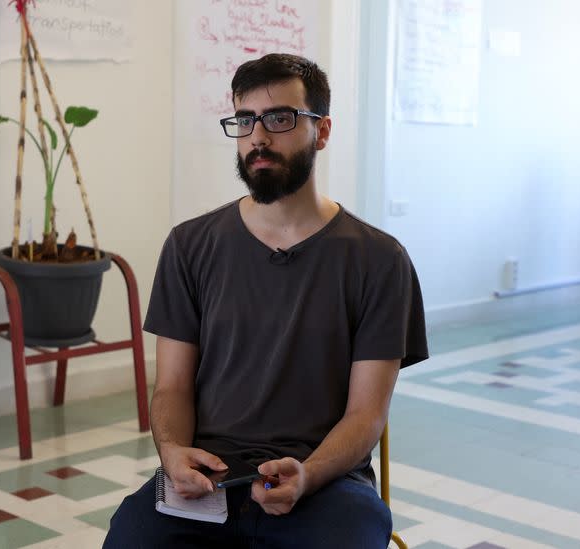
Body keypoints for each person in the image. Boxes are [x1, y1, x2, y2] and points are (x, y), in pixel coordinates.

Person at [103, 53, 428, 549]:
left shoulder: (381, 260)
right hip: (210, 477)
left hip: (325, 483)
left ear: (322, 131)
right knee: (131, 538)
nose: (258, 136)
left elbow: (366, 415)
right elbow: (171, 386)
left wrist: (311, 473)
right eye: (245, 119)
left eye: (280, 119)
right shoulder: (190, 246)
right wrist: (172, 452)